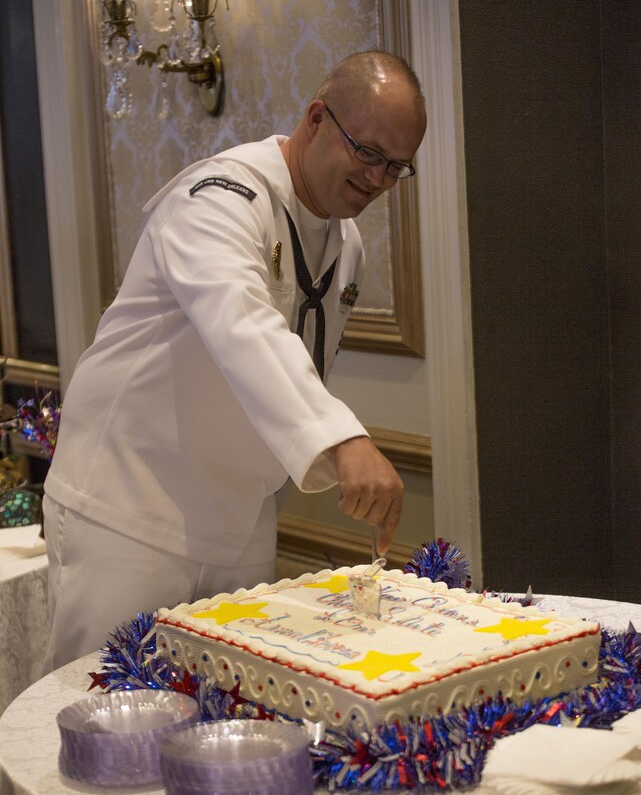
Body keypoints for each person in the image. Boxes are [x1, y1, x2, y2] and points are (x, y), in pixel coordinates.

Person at [42, 50, 427, 671]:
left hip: (241, 515)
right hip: (130, 505)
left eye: (397, 166)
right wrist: (343, 438)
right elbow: (243, 323)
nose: (379, 179)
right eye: (368, 152)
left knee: (226, 712)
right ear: (317, 118)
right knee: (103, 712)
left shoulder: (346, 242)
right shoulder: (217, 199)